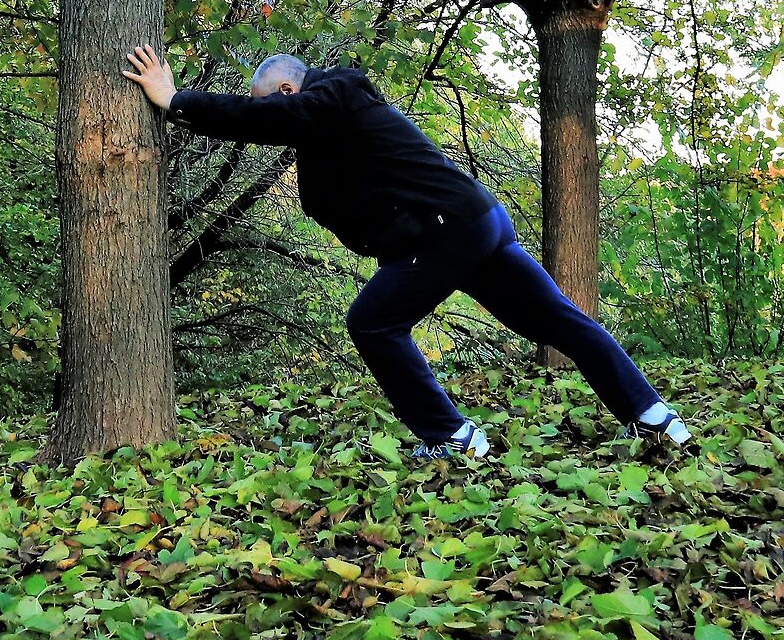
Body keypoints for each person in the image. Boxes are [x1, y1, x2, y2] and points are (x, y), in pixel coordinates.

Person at [121, 45, 692, 459]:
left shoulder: (335, 93)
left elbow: (278, 120)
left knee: (372, 323)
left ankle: (452, 437)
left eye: (267, 104)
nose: (268, 116)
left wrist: (177, 101)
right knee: (555, 320)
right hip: (472, 222)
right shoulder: (328, 130)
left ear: (288, 92)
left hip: (446, 229)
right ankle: (654, 417)